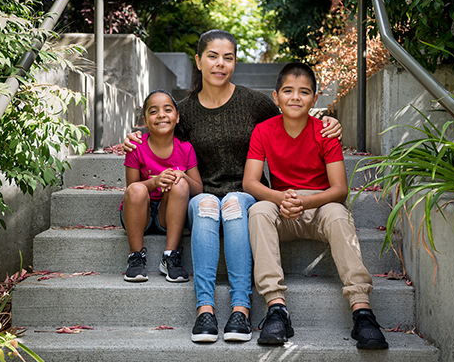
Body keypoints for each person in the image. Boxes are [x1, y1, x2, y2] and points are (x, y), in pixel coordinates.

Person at [123, 30, 342, 343]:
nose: (220, 64)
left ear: (235, 62)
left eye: (228, 57)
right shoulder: (183, 111)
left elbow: (295, 114)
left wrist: (328, 121)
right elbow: (158, 134)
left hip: (247, 193)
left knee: (235, 203)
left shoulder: (254, 102)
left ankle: (241, 308)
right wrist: (132, 139)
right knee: (207, 204)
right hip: (202, 194)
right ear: (198, 61)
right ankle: (205, 311)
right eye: (212, 56)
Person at [243, 62, 388, 350]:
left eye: (304, 92)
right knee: (258, 211)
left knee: (337, 214)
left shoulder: (325, 131)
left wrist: (305, 200)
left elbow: (339, 189)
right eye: (288, 91)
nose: (295, 97)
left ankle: (362, 311)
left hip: (319, 205)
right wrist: (280, 198)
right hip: (282, 205)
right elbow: (250, 183)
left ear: (314, 98)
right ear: (275, 97)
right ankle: (276, 309)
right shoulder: (263, 131)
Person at [121, 89, 202, 283]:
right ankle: (135, 256)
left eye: (167, 110)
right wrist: (155, 181)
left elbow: (198, 189)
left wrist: (182, 176)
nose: (161, 115)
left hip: (170, 215)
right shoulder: (136, 147)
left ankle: (170, 256)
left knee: (181, 184)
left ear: (177, 117)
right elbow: (132, 190)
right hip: (141, 215)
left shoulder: (185, 148)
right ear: (145, 120)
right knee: (137, 189)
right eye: (153, 111)